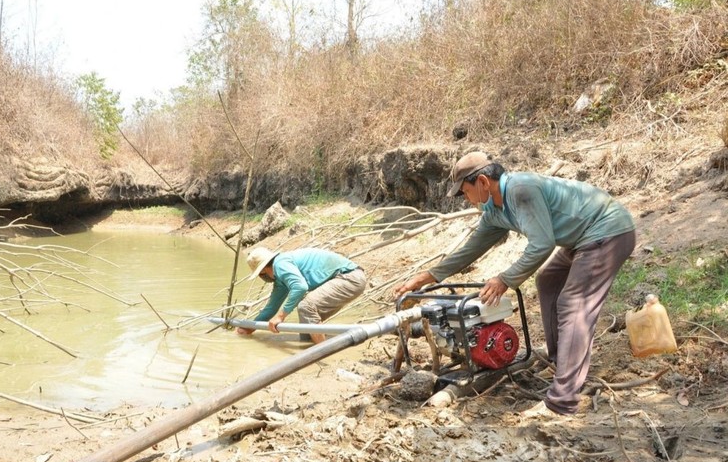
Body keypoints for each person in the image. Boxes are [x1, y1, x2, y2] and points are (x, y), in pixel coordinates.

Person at [393, 151, 636, 417]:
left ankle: (562, 400)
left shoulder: (521, 190)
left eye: (465, 192)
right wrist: (429, 276)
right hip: (581, 238)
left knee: (573, 303)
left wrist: (505, 279)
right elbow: (472, 249)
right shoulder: (494, 209)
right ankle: (559, 360)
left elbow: (541, 245)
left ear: (483, 182)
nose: (466, 200)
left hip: (607, 231)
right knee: (548, 280)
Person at [238, 247, 367, 344]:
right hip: (346, 279)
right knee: (306, 332)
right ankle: (315, 351)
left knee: (306, 306)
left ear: (263, 270)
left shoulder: (280, 264)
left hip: (349, 278)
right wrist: (250, 327)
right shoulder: (280, 279)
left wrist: (281, 316)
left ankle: (324, 353)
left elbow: (300, 287)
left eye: (261, 275)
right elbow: (271, 308)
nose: (263, 278)